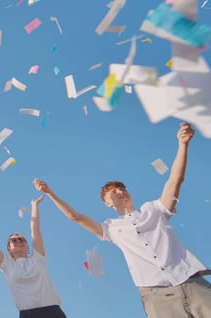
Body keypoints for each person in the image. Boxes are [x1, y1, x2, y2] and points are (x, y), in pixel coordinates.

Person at [34, 123, 211, 318]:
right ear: (108, 204)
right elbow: (75, 217)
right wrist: (50, 193)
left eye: (123, 188)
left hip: (192, 282)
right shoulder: (111, 228)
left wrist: (183, 144)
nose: (120, 192)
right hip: (157, 295)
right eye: (114, 192)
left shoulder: (154, 209)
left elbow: (175, 180)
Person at [0, 195, 66, 318]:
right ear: (9, 248)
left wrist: (34, 205)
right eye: (13, 240)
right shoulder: (7, 265)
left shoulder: (38, 258)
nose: (18, 241)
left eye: (21, 239)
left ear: (27, 246)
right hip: (27, 315)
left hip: (52, 312)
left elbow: (35, 230)